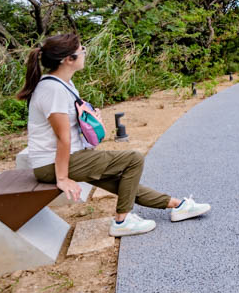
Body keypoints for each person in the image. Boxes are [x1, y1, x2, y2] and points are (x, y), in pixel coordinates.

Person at [16, 33, 210, 237]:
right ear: (68, 59)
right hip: (52, 164)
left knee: (122, 181)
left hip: (68, 157)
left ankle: (177, 206)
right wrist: (62, 178)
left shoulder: (63, 84)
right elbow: (62, 137)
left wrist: (91, 117)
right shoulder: (52, 89)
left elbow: (70, 125)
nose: (84, 53)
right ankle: (122, 221)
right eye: (81, 50)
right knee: (133, 160)